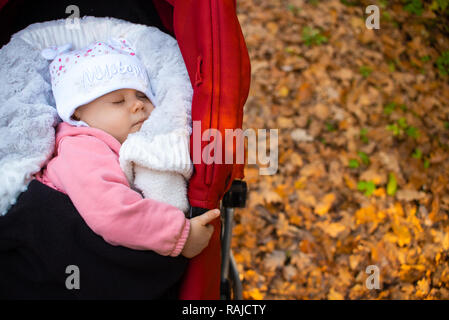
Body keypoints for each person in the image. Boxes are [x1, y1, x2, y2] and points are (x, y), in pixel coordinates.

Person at [34, 38, 218, 259]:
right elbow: (111, 212)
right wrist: (180, 234)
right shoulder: (80, 147)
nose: (138, 104)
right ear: (76, 113)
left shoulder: (129, 144)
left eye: (142, 95)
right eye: (118, 101)